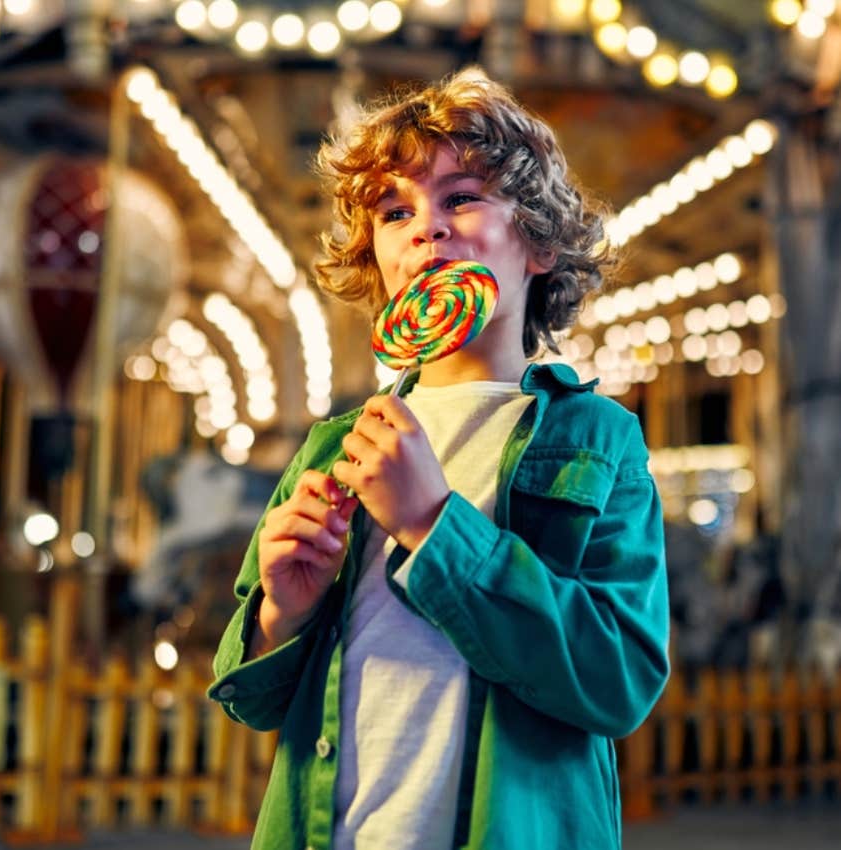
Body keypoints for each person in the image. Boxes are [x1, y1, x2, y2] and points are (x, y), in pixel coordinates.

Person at [208, 69, 670, 850]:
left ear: (541, 246)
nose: (426, 227)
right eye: (395, 211)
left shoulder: (596, 437)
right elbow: (252, 699)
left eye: (461, 197)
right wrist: (282, 611)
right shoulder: (333, 444)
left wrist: (431, 522)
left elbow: (619, 679)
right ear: (377, 260)